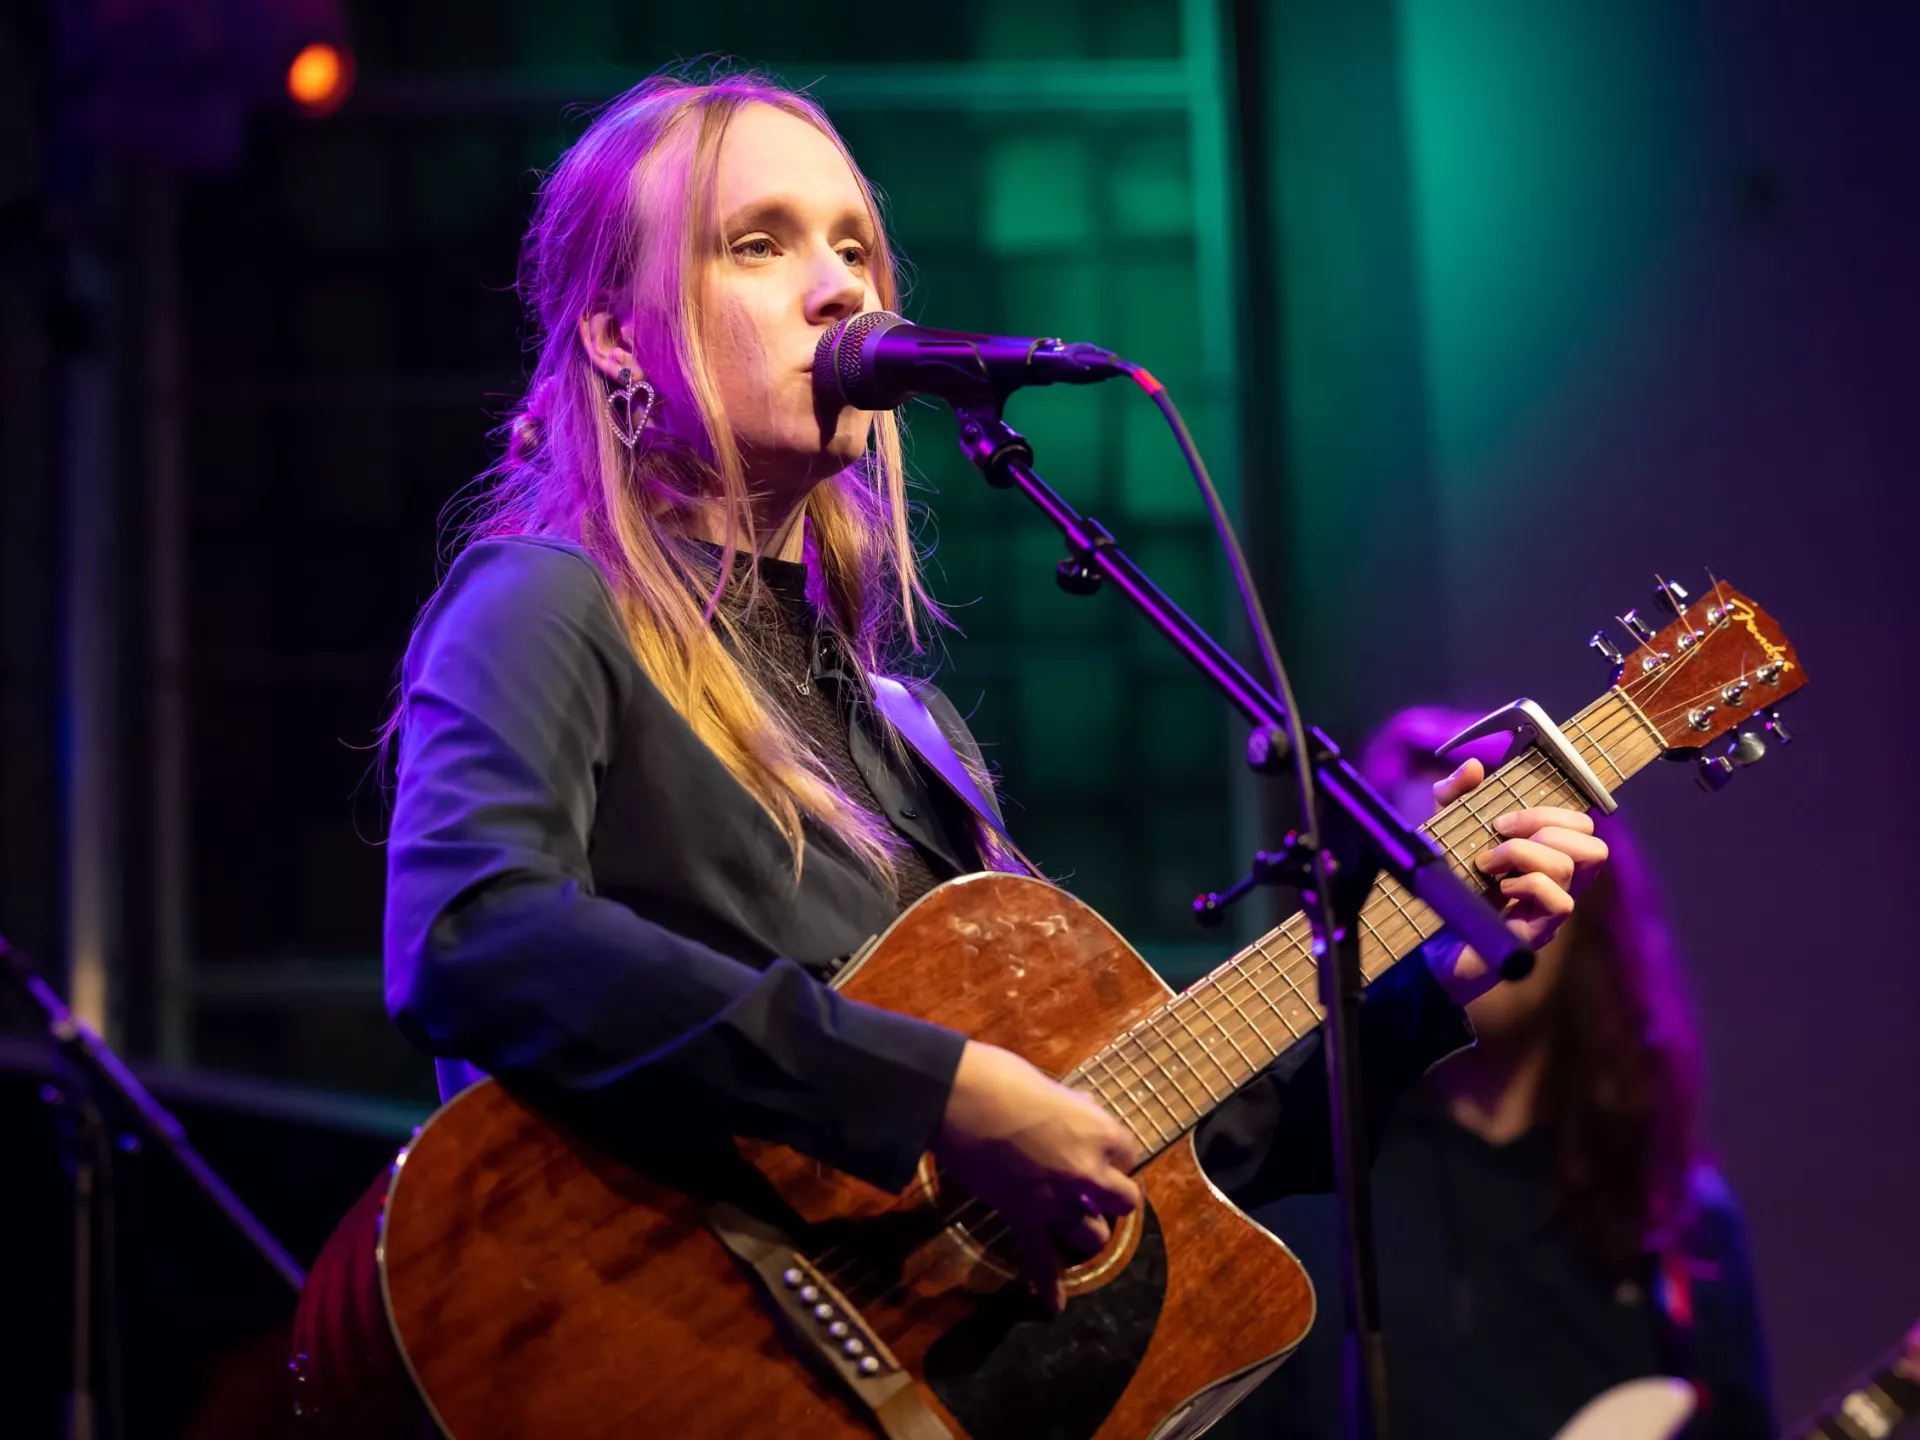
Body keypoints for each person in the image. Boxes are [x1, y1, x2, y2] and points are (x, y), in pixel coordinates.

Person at [377, 69, 1605, 1372]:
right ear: (619, 338)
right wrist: (934, 1093)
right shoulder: (549, 602)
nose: (843, 285)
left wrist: (1421, 987)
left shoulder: (912, 737)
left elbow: (1135, 1133)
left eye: (856, 246)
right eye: (759, 244)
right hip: (654, 1361)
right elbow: (472, 932)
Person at [1216, 706, 1773, 1440]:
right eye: (1432, 876)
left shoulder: (1679, 1216)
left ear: (1589, 909)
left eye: (1508, 859)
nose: (1479, 895)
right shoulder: (1300, 1179)